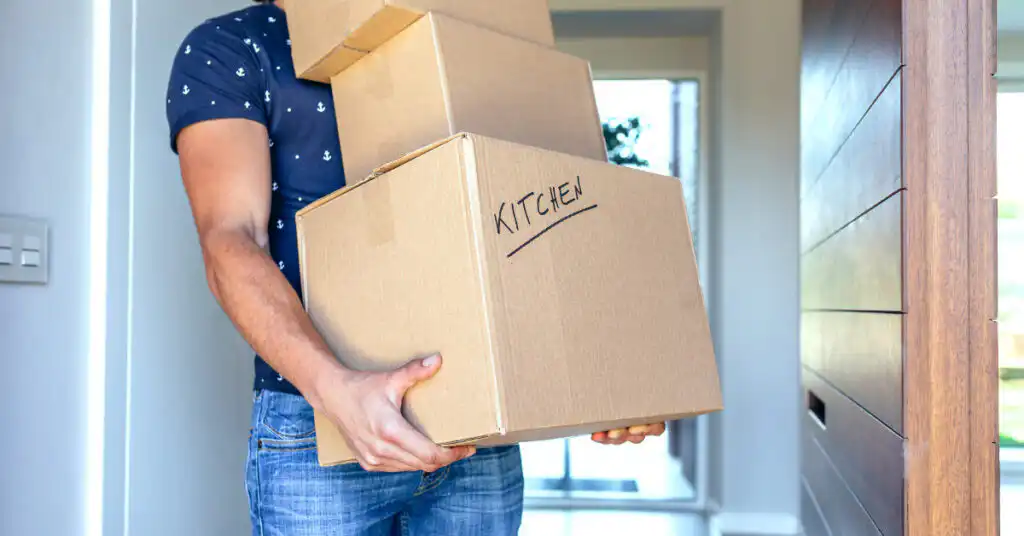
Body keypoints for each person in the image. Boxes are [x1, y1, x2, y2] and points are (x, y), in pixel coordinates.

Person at [165, 0, 666, 534]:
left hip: (476, 426)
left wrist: (609, 373)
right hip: (322, 425)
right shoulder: (234, 47)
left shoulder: (461, 36)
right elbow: (230, 237)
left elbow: (533, 216)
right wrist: (338, 391)